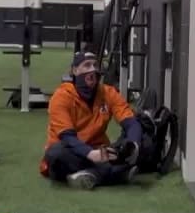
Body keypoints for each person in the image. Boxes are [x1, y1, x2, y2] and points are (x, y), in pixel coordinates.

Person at [40, 52, 143, 189]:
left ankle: (90, 175)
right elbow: (67, 137)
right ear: (75, 71)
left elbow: (131, 122)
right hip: (71, 151)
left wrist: (133, 145)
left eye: (95, 65)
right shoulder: (61, 97)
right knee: (55, 154)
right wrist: (90, 154)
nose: (92, 69)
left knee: (142, 141)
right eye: (87, 65)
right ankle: (112, 174)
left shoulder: (108, 92)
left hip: (101, 151)